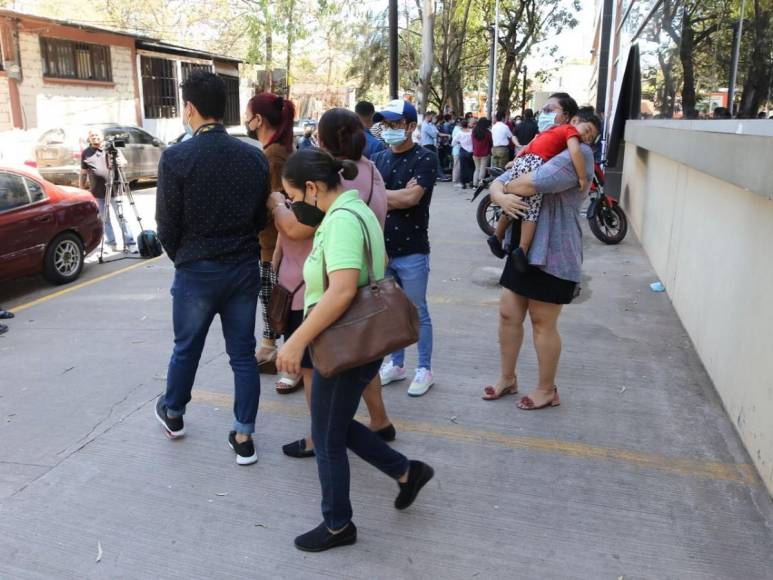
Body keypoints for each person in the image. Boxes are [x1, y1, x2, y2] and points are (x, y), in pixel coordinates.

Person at [275, 148, 434, 552]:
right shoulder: (355, 208)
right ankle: (405, 472)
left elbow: (343, 290)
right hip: (362, 340)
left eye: (293, 198)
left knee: (326, 438)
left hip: (344, 341)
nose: (293, 207)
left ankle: (337, 524)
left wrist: (295, 340)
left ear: (312, 189)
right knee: (336, 425)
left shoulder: (342, 221)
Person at [154, 70, 270, 465]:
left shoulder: (176, 158)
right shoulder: (253, 157)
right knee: (243, 354)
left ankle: (174, 414)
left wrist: (185, 258)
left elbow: (167, 226)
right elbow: (260, 217)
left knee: (186, 347)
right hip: (241, 267)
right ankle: (244, 435)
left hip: (197, 269)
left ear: (189, 108)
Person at [268, 107, 397, 458]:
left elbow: (297, 228)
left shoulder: (329, 187)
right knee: (360, 356)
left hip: (321, 291)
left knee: (316, 372)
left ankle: (319, 439)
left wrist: (279, 205)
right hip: (365, 291)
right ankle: (380, 422)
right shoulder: (369, 172)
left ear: (321, 140)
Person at [481, 107, 600, 408]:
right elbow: (503, 178)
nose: (547, 115)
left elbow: (533, 183)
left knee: (541, 321)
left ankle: (547, 390)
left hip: (554, 251)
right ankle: (507, 377)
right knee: (508, 313)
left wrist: (502, 191)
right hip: (522, 249)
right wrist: (499, 192)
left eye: (553, 110)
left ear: (569, 120)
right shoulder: (543, 145)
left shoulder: (579, 153)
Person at [487, 95, 598, 276]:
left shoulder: (553, 138)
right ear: (574, 120)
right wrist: (582, 178)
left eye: (590, 137)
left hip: (549, 254)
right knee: (531, 210)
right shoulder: (561, 133)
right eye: (586, 130)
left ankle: (498, 236)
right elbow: (520, 182)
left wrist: (504, 187)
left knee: (515, 206)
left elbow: (523, 172)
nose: (585, 137)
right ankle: (521, 248)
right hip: (531, 166)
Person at [371, 99, 437, 397]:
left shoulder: (425, 158)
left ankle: (424, 368)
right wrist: (395, 194)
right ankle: (396, 364)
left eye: (395, 124)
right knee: (390, 310)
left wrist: (385, 195)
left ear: (412, 127)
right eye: (385, 124)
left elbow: (411, 199)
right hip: (382, 249)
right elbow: (374, 197)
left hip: (412, 250)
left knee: (417, 310)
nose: (388, 129)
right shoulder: (380, 157)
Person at [244, 91, 296, 374]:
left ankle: (284, 358)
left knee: (276, 302)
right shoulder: (277, 150)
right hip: (275, 243)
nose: (245, 120)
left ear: (258, 120)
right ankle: (269, 349)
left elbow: (276, 203)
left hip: (274, 244)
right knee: (273, 301)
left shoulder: (273, 156)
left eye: (247, 114)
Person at [79, 128, 137, 252]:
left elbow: (124, 162)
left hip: (115, 189)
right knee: (105, 219)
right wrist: (81, 188)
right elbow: (83, 172)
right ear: (89, 138)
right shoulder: (86, 153)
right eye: (92, 135)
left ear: (102, 137)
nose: (94, 137)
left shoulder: (112, 149)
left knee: (121, 217)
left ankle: (130, 242)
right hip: (98, 192)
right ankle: (111, 243)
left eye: (97, 134)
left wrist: (122, 162)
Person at [419, 111, 451, 181]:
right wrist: (442, 135)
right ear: (427, 116)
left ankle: (437, 176)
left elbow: (437, 133)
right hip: (428, 145)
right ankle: (440, 176)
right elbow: (434, 135)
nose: (432, 118)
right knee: (434, 161)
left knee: (433, 161)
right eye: (431, 116)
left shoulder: (429, 125)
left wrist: (445, 135)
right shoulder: (425, 125)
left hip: (431, 145)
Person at [452, 118, 475, 189]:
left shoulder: (459, 133)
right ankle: (471, 181)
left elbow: (453, 143)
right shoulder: (471, 132)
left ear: (461, 125)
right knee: (471, 167)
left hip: (463, 150)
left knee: (463, 167)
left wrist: (459, 143)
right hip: (471, 151)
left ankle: (463, 183)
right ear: (467, 125)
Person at [472, 117, 493, 186]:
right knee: (482, 169)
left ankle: (475, 184)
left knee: (477, 169)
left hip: (475, 153)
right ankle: (480, 183)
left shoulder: (474, 131)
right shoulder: (487, 132)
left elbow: (472, 142)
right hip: (485, 153)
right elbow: (491, 142)